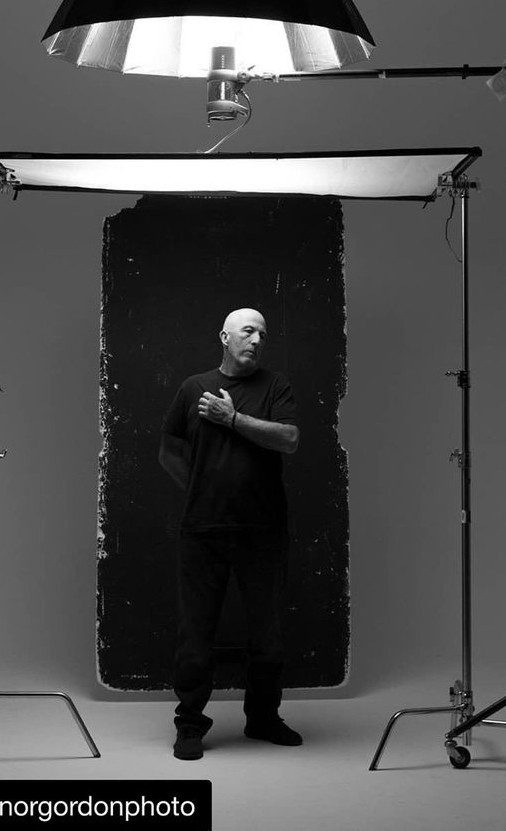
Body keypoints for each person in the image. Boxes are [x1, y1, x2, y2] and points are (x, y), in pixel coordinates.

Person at [159, 307, 302, 760]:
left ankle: (262, 719)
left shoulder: (275, 385)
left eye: (263, 332)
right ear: (224, 336)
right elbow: (168, 451)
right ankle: (190, 724)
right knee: (196, 633)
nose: (257, 339)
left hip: (264, 529)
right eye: (248, 331)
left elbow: (289, 439)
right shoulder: (192, 388)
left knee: (268, 632)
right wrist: (202, 486)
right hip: (203, 530)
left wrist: (232, 417)